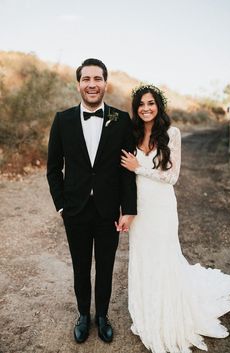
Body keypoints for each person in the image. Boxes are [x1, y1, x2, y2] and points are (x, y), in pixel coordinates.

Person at [121, 84, 230, 353]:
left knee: (163, 256)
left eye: (151, 103)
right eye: (141, 104)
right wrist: (125, 209)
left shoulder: (172, 133)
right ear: (136, 109)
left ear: (158, 106)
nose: (146, 108)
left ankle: (168, 311)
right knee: (143, 257)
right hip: (139, 207)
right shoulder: (132, 134)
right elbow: (124, 176)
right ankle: (147, 308)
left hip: (161, 206)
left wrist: (141, 168)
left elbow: (172, 177)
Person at [47, 58, 137, 344]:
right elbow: (53, 168)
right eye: (86, 79)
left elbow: (127, 170)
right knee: (80, 266)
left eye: (97, 79)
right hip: (75, 210)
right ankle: (83, 316)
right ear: (79, 84)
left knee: (107, 267)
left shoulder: (121, 120)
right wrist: (61, 205)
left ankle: (103, 317)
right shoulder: (62, 120)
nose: (92, 84)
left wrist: (129, 209)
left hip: (109, 211)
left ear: (105, 83)